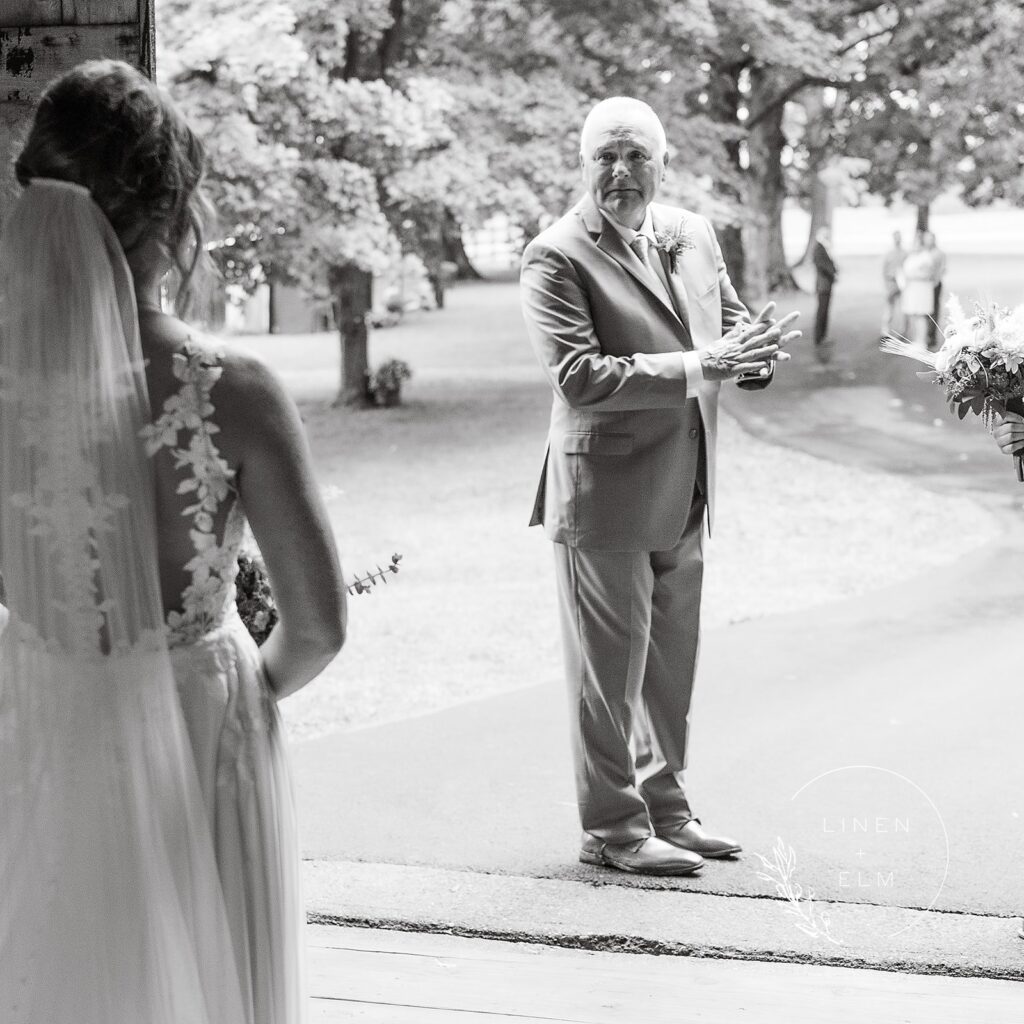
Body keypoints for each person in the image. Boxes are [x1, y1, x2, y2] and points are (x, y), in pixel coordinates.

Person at [0, 60, 347, 1023]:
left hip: (38, 732)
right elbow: (317, 627)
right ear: (173, 216)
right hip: (209, 744)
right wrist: (220, 691)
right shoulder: (231, 390)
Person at [520, 97, 798, 876]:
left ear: (662, 162)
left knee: (671, 663)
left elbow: (730, 327)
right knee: (610, 674)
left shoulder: (692, 233)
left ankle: (668, 810)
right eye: (606, 155)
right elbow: (580, 377)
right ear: (583, 164)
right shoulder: (555, 256)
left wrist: (756, 354)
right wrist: (699, 367)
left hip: (688, 484)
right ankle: (611, 829)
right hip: (603, 495)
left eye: (636, 155)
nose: (621, 171)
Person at [900, 231, 937, 349]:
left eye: (917, 243)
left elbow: (928, 275)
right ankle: (917, 339)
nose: (914, 246)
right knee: (914, 315)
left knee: (921, 315)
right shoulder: (911, 256)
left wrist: (912, 276)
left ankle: (922, 341)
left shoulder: (926, 257)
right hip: (912, 289)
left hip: (921, 289)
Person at [812, 227, 838, 360]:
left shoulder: (824, 248)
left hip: (826, 285)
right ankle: (819, 337)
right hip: (823, 285)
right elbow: (823, 265)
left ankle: (823, 336)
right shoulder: (819, 249)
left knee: (825, 311)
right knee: (821, 311)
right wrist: (832, 274)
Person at [923, 231, 947, 350]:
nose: (928, 241)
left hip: (934, 285)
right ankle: (924, 335)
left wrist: (934, 281)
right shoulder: (923, 252)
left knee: (934, 310)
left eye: (930, 239)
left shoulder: (939, 253)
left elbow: (942, 269)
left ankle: (931, 337)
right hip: (924, 286)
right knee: (923, 310)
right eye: (927, 239)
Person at [881, 230, 905, 339]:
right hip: (891, 283)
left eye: (899, 237)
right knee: (889, 309)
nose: (897, 240)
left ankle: (903, 332)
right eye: (896, 237)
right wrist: (886, 284)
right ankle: (885, 332)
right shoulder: (889, 254)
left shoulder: (905, 253)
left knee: (903, 309)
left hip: (902, 284)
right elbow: (884, 271)